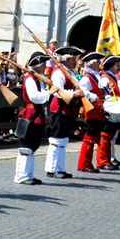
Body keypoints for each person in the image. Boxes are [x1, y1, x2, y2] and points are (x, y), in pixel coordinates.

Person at [14, 53, 52, 186]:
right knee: (26, 146)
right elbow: (34, 97)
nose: (46, 66)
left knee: (33, 145)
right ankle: (21, 175)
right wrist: (50, 93)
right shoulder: (30, 78)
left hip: (37, 113)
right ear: (39, 65)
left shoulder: (38, 78)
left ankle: (28, 174)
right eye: (44, 64)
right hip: (30, 114)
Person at [45, 46, 83, 179]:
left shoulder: (71, 73)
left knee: (63, 141)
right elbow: (58, 92)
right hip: (59, 109)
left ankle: (60, 169)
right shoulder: (59, 73)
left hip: (68, 110)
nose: (75, 61)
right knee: (55, 140)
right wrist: (74, 93)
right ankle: (51, 168)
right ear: (66, 60)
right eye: (73, 59)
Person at [96, 55, 120, 172]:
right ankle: (102, 161)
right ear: (112, 66)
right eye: (116, 65)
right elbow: (105, 95)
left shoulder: (112, 77)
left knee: (109, 137)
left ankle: (107, 160)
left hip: (114, 108)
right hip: (109, 110)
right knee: (105, 136)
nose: (118, 67)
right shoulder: (106, 78)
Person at [76, 54, 106, 174]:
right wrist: (93, 96)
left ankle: (87, 163)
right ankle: (84, 164)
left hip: (97, 110)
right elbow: (82, 91)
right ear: (91, 63)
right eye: (97, 61)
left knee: (93, 137)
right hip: (92, 110)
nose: (99, 63)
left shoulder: (95, 76)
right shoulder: (87, 78)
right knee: (89, 138)